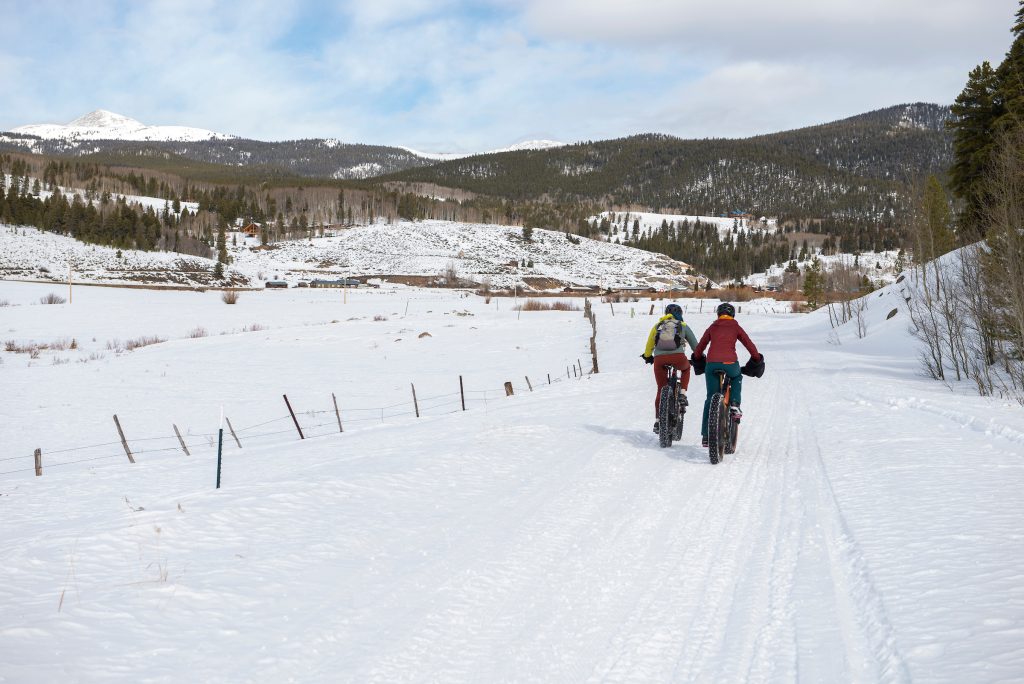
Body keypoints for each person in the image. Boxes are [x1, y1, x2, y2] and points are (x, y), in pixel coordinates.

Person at [691, 302, 764, 447]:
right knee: (737, 376)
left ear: (718, 314)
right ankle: (735, 404)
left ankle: (706, 436)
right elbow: (749, 344)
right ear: (732, 314)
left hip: (711, 364)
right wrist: (756, 358)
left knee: (710, 398)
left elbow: (700, 347)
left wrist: (697, 358)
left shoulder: (713, 327)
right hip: (730, 363)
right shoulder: (735, 326)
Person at [641, 303, 699, 433]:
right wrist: (698, 357)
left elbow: (649, 344)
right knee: (686, 369)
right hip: (678, 358)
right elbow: (696, 346)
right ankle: (682, 394)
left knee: (661, 389)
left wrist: (648, 356)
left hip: (659, 360)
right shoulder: (682, 325)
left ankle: (658, 421)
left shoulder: (658, 326)